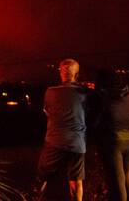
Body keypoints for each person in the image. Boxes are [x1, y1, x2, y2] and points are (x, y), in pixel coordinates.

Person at [36, 59, 89, 201]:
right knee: (76, 180)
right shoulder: (84, 93)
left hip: (55, 140)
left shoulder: (50, 92)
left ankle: (38, 197)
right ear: (76, 74)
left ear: (61, 73)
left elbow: (47, 112)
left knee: (43, 174)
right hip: (77, 142)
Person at [96, 69, 129, 201]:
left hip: (115, 140)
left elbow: (98, 120)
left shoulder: (105, 98)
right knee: (126, 177)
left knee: (118, 182)